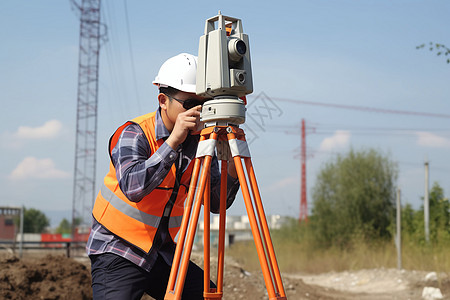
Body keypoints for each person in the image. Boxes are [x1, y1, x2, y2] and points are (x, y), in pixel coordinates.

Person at [86, 53, 240, 300]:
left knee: (205, 294)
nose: (198, 112)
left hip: (163, 253)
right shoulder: (134, 133)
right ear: (163, 101)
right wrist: (173, 142)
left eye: (204, 104)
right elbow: (133, 188)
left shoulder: (200, 142)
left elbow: (216, 203)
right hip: (118, 249)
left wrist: (231, 162)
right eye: (190, 105)